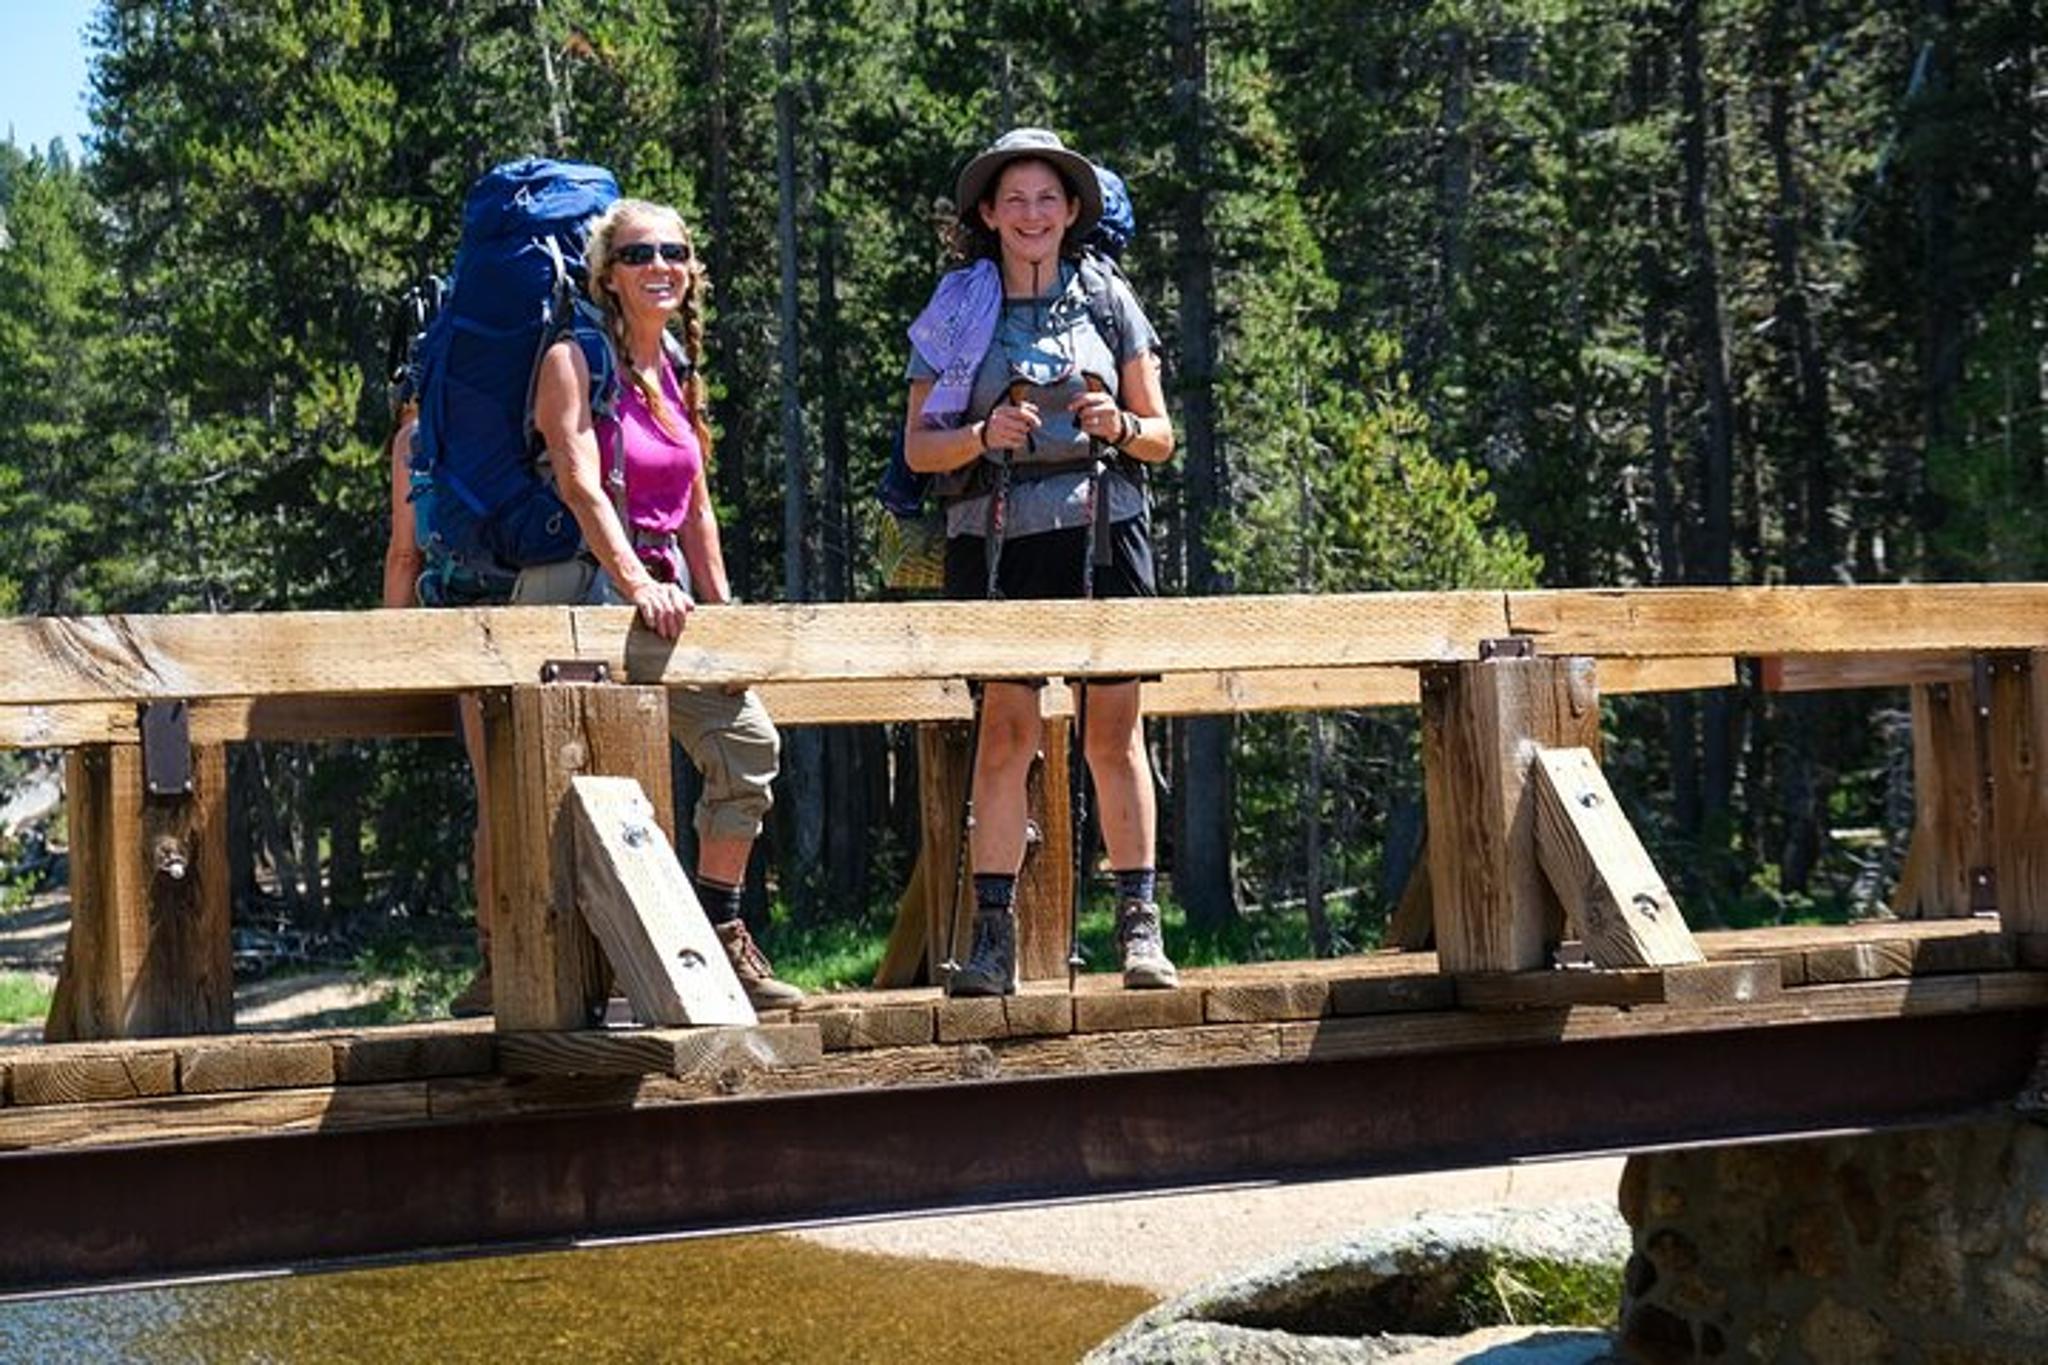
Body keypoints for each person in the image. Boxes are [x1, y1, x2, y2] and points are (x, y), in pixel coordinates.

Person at [385, 196, 801, 1011]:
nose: (662, 266)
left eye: (675, 251)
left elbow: (695, 506)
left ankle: (719, 932)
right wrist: (637, 580)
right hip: (575, 588)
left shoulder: (672, 366)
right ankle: (515, 966)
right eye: (641, 254)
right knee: (547, 786)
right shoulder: (574, 358)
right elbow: (579, 481)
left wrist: (721, 613)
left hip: (661, 599)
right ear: (607, 274)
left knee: (747, 743)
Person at [902, 128, 1179, 996]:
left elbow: (1163, 436)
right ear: (987, 212)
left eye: (1048, 199)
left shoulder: (1108, 298)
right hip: (994, 541)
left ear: (1072, 211)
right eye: (1014, 199)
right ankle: (994, 938)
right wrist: (985, 435)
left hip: (1104, 530)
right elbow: (918, 449)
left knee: (1113, 733)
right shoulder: (956, 307)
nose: (1032, 214)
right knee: (1006, 736)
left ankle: (1140, 929)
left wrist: (1117, 428)